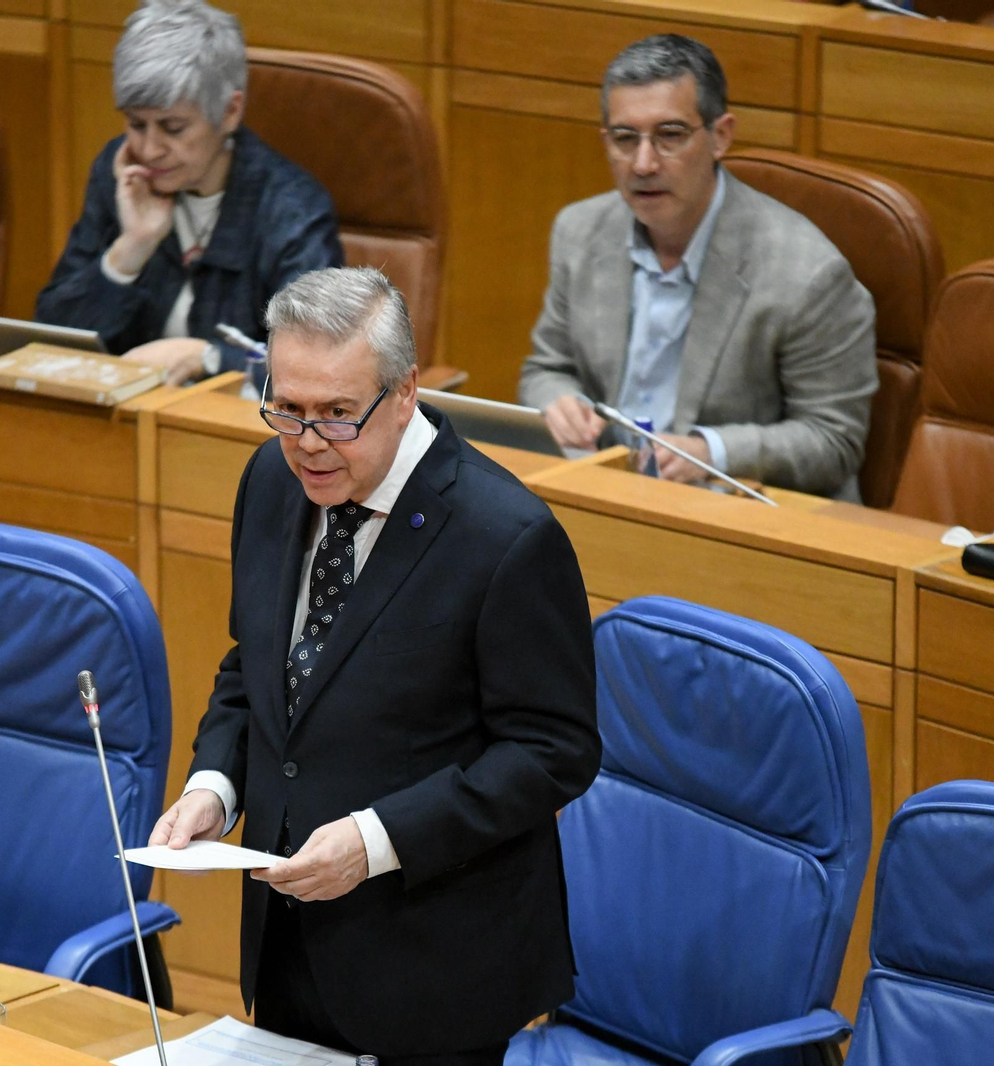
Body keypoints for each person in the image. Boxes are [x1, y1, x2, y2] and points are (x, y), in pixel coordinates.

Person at [150, 267, 599, 1064]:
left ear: (404, 394)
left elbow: (552, 754)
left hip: (435, 965)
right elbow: (253, 664)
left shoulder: (506, 538)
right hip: (290, 933)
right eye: (287, 410)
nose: (309, 444)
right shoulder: (270, 478)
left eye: (336, 415)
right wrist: (215, 785)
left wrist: (376, 838)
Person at [519, 34, 877, 499]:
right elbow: (546, 368)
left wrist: (710, 451)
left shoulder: (807, 274)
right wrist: (557, 402)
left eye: (670, 136)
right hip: (604, 494)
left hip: (735, 515)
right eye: (626, 139)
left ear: (720, 136)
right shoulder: (581, 231)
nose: (644, 163)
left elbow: (834, 442)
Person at [36, 0, 343, 385]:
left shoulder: (291, 207)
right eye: (136, 124)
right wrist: (130, 250)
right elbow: (51, 340)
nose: (149, 149)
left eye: (173, 127)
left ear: (230, 112)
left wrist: (210, 357)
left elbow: (324, 365)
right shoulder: (121, 176)